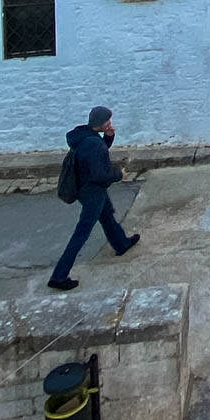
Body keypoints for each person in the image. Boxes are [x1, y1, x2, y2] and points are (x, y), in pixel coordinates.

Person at [49, 106, 140, 290]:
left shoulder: (84, 136)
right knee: (81, 233)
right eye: (108, 120)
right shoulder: (94, 144)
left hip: (85, 189)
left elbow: (94, 156)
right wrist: (118, 174)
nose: (110, 123)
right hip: (93, 192)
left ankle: (121, 244)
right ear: (101, 122)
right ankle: (59, 276)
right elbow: (100, 174)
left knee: (107, 216)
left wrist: (108, 138)